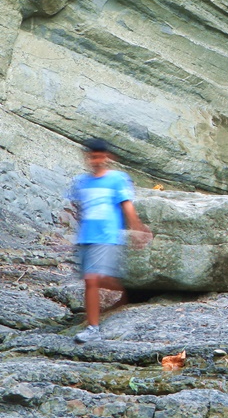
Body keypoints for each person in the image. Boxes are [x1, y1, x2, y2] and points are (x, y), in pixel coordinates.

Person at [66, 138, 151, 343]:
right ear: (88, 158)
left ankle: (93, 328)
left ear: (108, 157)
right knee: (93, 279)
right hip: (86, 236)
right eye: (93, 156)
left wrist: (137, 229)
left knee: (91, 279)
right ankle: (127, 294)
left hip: (107, 235)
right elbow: (72, 206)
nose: (97, 160)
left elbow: (127, 206)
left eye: (100, 156)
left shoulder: (117, 179)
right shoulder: (81, 182)